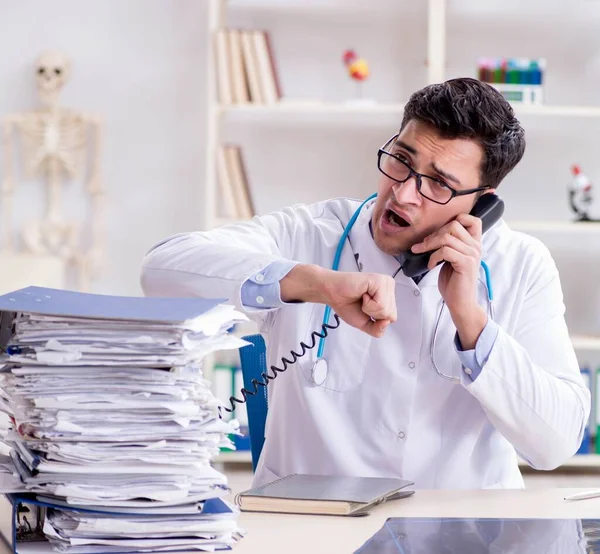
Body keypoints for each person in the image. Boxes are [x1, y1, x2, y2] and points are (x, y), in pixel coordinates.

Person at [140, 77, 590, 489]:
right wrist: (313, 282)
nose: (404, 192)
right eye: (401, 160)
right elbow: (161, 269)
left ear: (481, 204)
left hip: (461, 533)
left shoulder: (521, 265)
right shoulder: (312, 233)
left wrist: (471, 322)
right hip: (315, 528)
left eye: (438, 184)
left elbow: (555, 444)